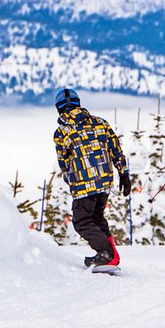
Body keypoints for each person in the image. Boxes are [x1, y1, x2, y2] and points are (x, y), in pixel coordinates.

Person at [53, 88, 131, 266]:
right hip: (104, 182)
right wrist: (123, 174)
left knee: (81, 221)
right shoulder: (100, 123)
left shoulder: (62, 132)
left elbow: (63, 161)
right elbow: (116, 150)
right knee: (96, 218)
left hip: (83, 183)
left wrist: (69, 178)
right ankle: (112, 255)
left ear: (58, 108)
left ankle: (106, 254)